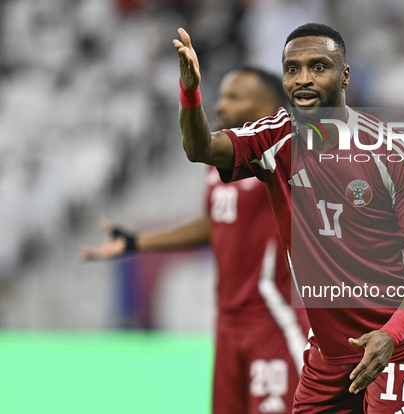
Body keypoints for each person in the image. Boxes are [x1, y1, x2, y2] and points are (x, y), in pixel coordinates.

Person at [173, 22, 404, 414]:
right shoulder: (275, 139)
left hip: (401, 341)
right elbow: (200, 148)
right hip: (329, 352)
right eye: (293, 69)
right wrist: (190, 92)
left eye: (318, 66)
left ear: (345, 75)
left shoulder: (389, 152)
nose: (303, 79)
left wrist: (393, 333)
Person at [81, 67, 309, 414]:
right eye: (220, 96)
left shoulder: (285, 158)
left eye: (234, 97)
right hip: (228, 326)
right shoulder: (221, 164)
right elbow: (215, 221)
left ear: (268, 107)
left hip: (274, 321)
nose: (221, 106)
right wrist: (138, 243)